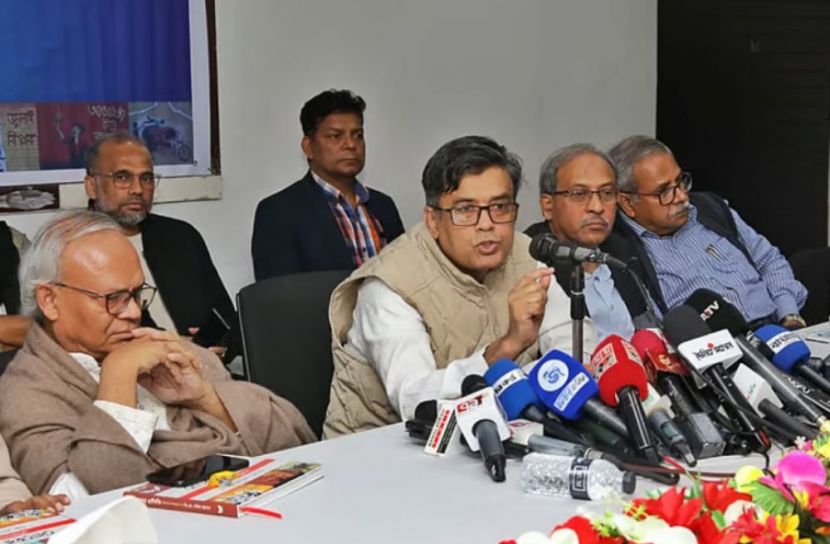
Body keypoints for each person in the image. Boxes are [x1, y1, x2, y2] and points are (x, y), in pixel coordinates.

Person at [0, 211, 315, 497]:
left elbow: (296, 443)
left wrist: (205, 399)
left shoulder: (164, 349)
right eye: (113, 298)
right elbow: (79, 502)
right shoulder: (28, 392)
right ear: (50, 300)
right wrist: (119, 377)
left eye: (137, 293)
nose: (133, 313)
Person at [323, 135, 592, 437]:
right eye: (466, 210)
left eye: (500, 206)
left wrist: (534, 379)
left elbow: (577, 349)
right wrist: (507, 349)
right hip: (375, 448)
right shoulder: (389, 284)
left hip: (492, 437)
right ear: (433, 220)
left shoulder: (525, 255)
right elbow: (415, 400)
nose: (486, 224)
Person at [607, 135, 807, 328]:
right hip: (713, 347)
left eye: (680, 181)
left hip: (776, 331)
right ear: (627, 203)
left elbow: (769, 261)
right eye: (664, 191)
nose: (681, 196)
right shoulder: (621, 255)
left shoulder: (711, 209)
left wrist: (789, 315)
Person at [84, 133, 239, 357]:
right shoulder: (74, 248)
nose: (137, 189)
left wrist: (220, 346)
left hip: (206, 366)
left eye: (146, 178)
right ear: (91, 186)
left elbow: (227, 318)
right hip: (128, 372)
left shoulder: (181, 237)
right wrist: (173, 347)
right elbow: (90, 338)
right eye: (123, 177)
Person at [252, 89, 405, 280]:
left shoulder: (383, 206)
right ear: (308, 147)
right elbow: (279, 294)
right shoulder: (278, 212)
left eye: (357, 135)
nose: (351, 144)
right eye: (335, 136)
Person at [525, 143, 646, 341]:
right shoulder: (529, 262)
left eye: (607, 193)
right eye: (579, 194)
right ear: (548, 206)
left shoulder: (625, 251)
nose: (597, 207)